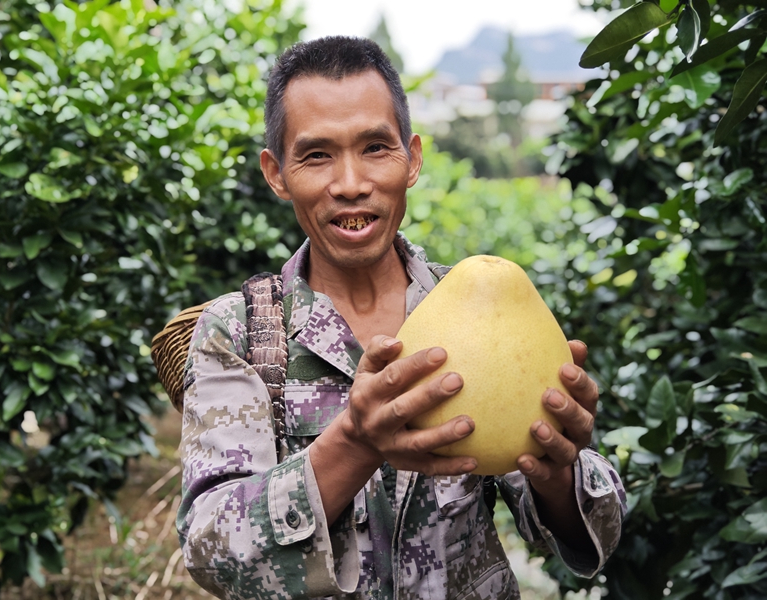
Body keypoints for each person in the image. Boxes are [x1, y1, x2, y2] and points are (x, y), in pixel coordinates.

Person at [176, 36, 625, 600]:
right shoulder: (238, 332)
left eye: (374, 148)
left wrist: (560, 469)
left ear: (412, 159)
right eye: (316, 155)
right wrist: (357, 443)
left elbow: (602, 531)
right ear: (277, 173)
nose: (350, 184)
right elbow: (211, 552)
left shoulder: (477, 309)